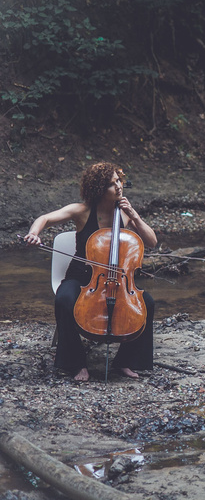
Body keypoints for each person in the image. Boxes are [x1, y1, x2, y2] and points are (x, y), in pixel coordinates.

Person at [23, 162, 157, 382]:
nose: (119, 187)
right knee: (65, 299)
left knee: (147, 304)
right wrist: (34, 233)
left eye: (119, 181)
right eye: (112, 184)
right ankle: (76, 364)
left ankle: (124, 362)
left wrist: (134, 215)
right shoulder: (83, 210)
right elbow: (45, 218)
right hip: (81, 275)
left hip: (117, 279)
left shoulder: (124, 214)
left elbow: (151, 241)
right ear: (99, 189)